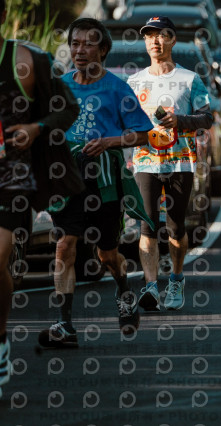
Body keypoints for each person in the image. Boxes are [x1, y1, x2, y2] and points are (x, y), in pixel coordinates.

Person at [39, 18, 154, 348]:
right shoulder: (60, 86)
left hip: (104, 181)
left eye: (88, 44)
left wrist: (109, 142)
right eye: (75, 44)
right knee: (64, 246)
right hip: (67, 180)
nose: (80, 50)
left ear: (103, 50)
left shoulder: (118, 88)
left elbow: (144, 134)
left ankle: (123, 290)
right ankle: (65, 324)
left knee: (107, 254)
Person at [0, 0, 82, 395]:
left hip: (12, 178)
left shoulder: (27, 61)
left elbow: (68, 108)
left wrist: (36, 128)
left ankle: (0, 339)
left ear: (2, 16)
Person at [128, 16, 214, 311]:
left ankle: (176, 279)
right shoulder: (134, 82)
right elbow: (126, 122)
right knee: (148, 224)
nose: (155, 41)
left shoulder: (190, 79)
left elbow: (207, 118)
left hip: (180, 162)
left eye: (162, 35)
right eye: (149, 36)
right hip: (145, 161)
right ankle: (151, 285)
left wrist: (180, 120)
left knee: (176, 226)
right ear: (145, 42)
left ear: (173, 40)